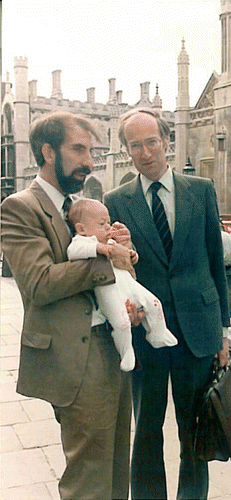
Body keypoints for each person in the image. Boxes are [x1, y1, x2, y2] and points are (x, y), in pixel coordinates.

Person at [0, 111, 143, 500]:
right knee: (88, 480)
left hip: (109, 349)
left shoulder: (79, 208)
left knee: (115, 469)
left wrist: (124, 258)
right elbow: (39, 283)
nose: (89, 161)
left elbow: (102, 278)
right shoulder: (20, 207)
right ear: (48, 151)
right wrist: (106, 262)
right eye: (78, 149)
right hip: (74, 359)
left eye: (92, 151)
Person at [104, 108, 230, 500]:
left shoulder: (202, 190)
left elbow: (215, 265)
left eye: (152, 142)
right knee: (146, 430)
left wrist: (223, 334)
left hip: (198, 332)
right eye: (135, 145)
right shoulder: (115, 200)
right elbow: (116, 270)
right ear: (127, 151)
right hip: (147, 336)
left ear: (167, 142)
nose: (145, 153)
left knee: (195, 429)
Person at [67, 198, 178, 371]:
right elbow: (72, 252)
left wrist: (131, 255)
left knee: (154, 302)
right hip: (109, 289)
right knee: (121, 322)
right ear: (82, 229)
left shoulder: (109, 241)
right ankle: (126, 352)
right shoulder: (83, 241)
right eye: (101, 223)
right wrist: (97, 248)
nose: (107, 227)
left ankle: (158, 332)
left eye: (109, 222)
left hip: (127, 283)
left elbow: (125, 255)